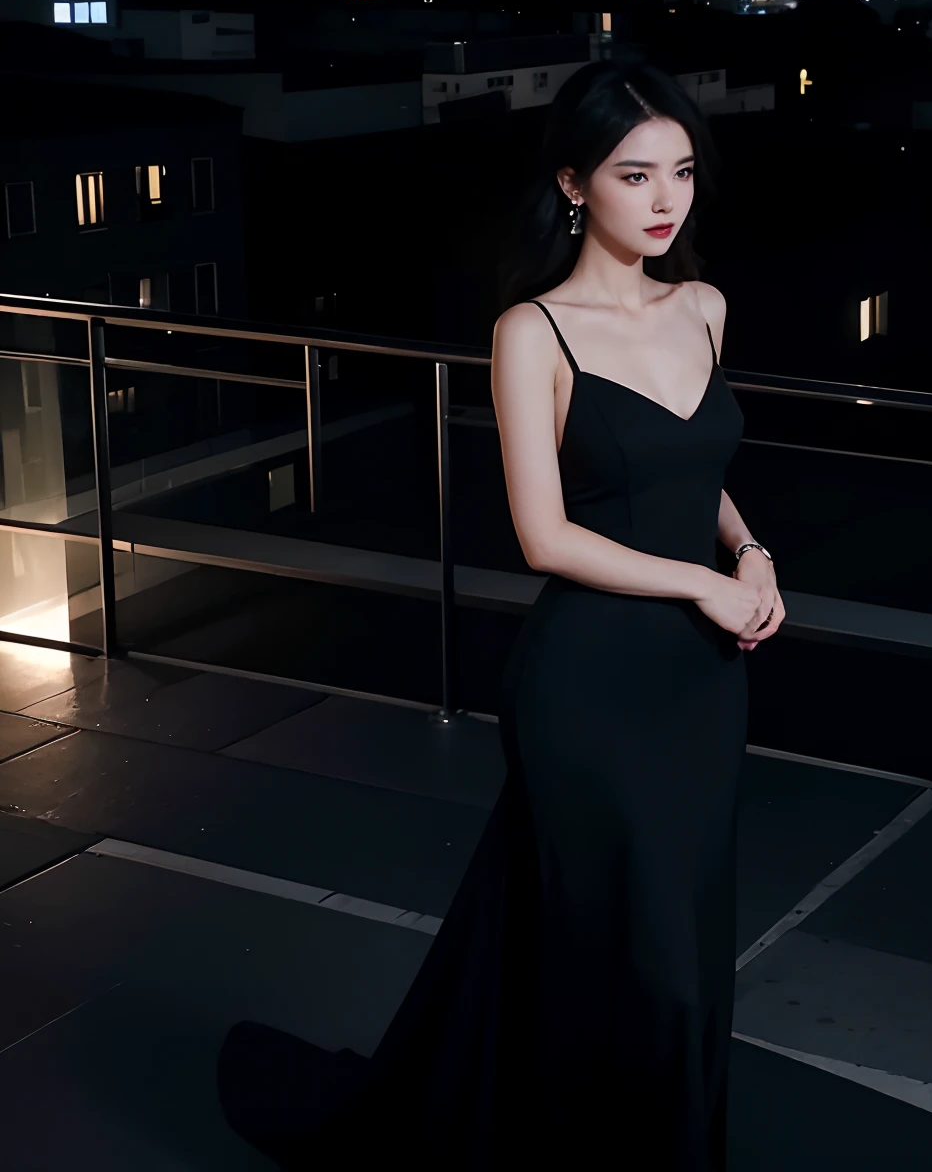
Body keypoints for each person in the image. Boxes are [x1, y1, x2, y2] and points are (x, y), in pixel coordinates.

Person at [217, 61, 784, 1169]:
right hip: (589, 690)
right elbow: (545, 536)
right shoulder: (534, 332)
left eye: (681, 171)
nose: (667, 199)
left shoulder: (705, 308)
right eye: (635, 175)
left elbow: (689, 471)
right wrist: (705, 584)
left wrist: (749, 548)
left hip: (702, 686)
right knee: (631, 961)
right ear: (575, 184)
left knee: (686, 952)